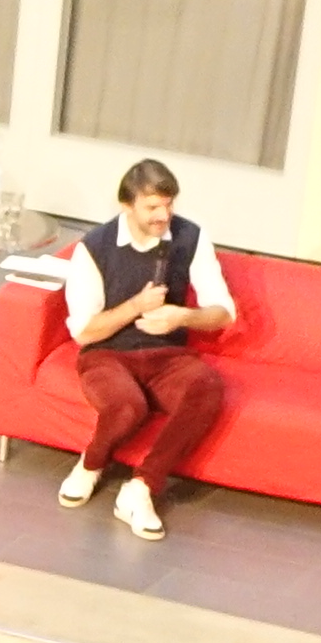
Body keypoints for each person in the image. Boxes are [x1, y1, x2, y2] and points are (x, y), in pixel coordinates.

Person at [56, 159, 239, 538]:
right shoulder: (94, 248)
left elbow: (224, 313)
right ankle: (91, 464)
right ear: (127, 205)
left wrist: (182, 316)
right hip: (106, 353)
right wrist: (135, 307)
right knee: (127, 406)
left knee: (206, 388)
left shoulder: (190, 238)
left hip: (167, 355)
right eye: (152, 207)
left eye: (168, 205)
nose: (163, 215)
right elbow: (85, 332)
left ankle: (140, 488)